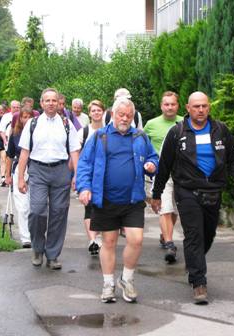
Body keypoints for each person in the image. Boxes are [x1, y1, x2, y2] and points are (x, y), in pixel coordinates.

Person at [151, 91, 234, 304]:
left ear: (209, 107)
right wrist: (156, 194)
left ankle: (194, 262)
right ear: (187, 108)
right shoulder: (177, 132)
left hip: (213, 191)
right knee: (194, 235)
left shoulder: (220, 130)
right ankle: (199, 283)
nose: (201, 110)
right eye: (196, 106)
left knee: (207, 235)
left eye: (204, 106)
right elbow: (164, 165)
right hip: (187, 191)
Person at [77, 97, 158, 303]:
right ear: (112, 115)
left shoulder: (140, 136)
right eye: (121, 115)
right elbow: (85, 163)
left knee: (136, 240)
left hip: (133, 200)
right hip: (105, 199)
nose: (125, 118)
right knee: (109, 242)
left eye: (129, 116)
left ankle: (127, 279)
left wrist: (151, 164)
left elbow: (153, 156)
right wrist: (84, 187)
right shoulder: (99, 137)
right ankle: (108, 284)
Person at [17, 88, 80, 269]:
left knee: (59, 213)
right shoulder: (32, 124)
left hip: (61, 171)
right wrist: (21, 178)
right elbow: (24, 152)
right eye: (47, 100)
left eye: (54, 100)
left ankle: (52, 255)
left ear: (58, 102)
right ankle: (37, 248)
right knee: (37, 211)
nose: (51, 103)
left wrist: (77, 175)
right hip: (38, 170)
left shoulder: (67, 124)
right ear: (41, 103)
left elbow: (74, 151)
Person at [144, 91, 183, 263]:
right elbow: (143, 145)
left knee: (174, 210)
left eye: (172, 104)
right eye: (166, 104)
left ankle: (165, 234)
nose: (169, 107)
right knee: (165, 207)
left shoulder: (185, 123)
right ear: (161, 106)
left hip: (182, 173)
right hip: (161, 173)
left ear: (178, 106)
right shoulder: (151, 124)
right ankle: (169, 243)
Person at [76, 100, 105, 256]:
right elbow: (78, 155)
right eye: (93, 111)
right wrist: (77, 175)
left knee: (102, 206)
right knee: (89, 206)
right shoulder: (84, 132)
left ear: (103, 112)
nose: (96, 113)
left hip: (105, 174)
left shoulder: (109, 130)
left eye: (99, 110)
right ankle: (93, 240)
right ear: (90, 113)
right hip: (89, 173)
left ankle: (100, 236)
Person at [5, 107, 34, 248]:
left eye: (29, 116)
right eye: (24, 117)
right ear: (20, 119)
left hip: (36, 171)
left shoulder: (38, 133)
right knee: (22, 207)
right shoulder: (15, 135)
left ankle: (35, 233)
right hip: (19, 171)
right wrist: (7, 174)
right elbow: (9, 156)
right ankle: (25, 237)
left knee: (34, 206)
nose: (26, 119)